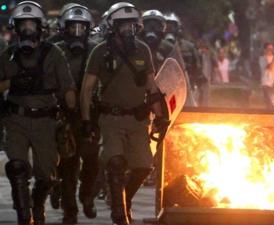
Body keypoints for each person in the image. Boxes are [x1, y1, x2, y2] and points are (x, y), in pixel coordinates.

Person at [80, 3, 168, 225]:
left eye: (132, 26)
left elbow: (152, 87)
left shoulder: (143, 50)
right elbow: (86, 89)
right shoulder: (100, 52)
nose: (129, 30)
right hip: (111, 118)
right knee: (117, 163)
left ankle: (122, 197)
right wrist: (86, 120)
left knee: (143, 167)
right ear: (112, 27)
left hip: (138, 119)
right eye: (123, 26)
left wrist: (160, 117)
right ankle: (120, 215)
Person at [0, 1, 76, 225]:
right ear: (16, 28)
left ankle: (37, 202)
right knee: (17, 167)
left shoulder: (54, 54)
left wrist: (72, 116)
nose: (27, 30)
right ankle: (25, 217)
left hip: (46, 120)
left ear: (40, 27)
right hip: (17, 118)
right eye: (22, 26)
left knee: (46, 175)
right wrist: (13, 82)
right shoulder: (8, 56)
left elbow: (68, 88)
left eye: (31, 25)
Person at [52, 4, 99, 224]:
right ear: (64, 28)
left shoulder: (97, 50)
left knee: (92, 160)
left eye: (82, 28)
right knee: (67, 166)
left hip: (89, 115)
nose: (77, 33)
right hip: (64, 115)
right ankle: (69, 211)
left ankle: (87, 196)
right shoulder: (54, 50)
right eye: (73, 28)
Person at [164, 12, 203, 106]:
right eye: (167, 26)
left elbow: (197, 68)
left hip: (187, 87)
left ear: (178, 28)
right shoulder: (158, 47)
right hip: (166, 89)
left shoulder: (189, 47)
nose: (170, 29)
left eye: (173, 26)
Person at [259, 42, 274, 109]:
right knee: (270, 104)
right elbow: (270, 67)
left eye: (272, 49)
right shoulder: (262, 58)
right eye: (269, 48)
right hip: (267, 84)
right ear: (265, 49)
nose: (270, 50)